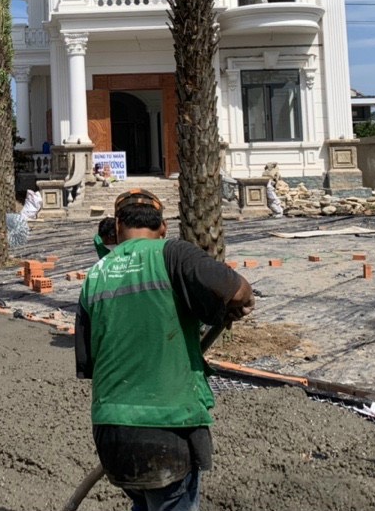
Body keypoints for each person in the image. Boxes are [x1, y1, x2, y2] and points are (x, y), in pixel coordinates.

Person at [75, 189, 254, 511]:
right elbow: (236, 290)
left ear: (118, 226)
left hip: (111, 432)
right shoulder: (172, 253)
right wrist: (241, 300)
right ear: (162, 228)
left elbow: (90, 361)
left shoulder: (95, 276)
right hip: (167, 428)